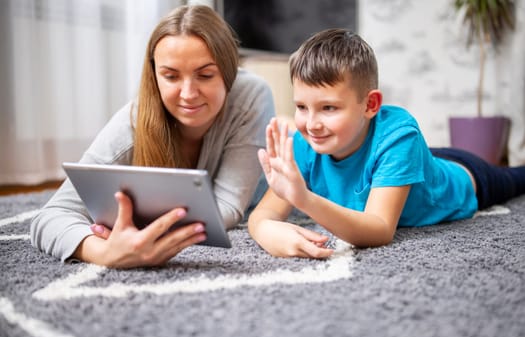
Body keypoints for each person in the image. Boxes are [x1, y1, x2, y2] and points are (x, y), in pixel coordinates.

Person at [30, 5, 275, 268]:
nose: (188, 93)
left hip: (265, 189)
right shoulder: (130, 126)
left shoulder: (251, 95)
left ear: (228, 74)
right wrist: (104, 253)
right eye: (171, 76)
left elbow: (227, 205)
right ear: (154, 76)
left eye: (205, 75)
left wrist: (146, 223)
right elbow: (50, 217)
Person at [248, 28, 525, 259]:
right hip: (400, 162)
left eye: (329, 108)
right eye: (301, 106)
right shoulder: (304, 143)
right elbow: (263, 215)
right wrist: (265, 229)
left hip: (466, 174)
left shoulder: (399, 135)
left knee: (518, 177)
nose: (311, 123)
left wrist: (304, 200)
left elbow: (379, 230)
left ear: (370, 104)